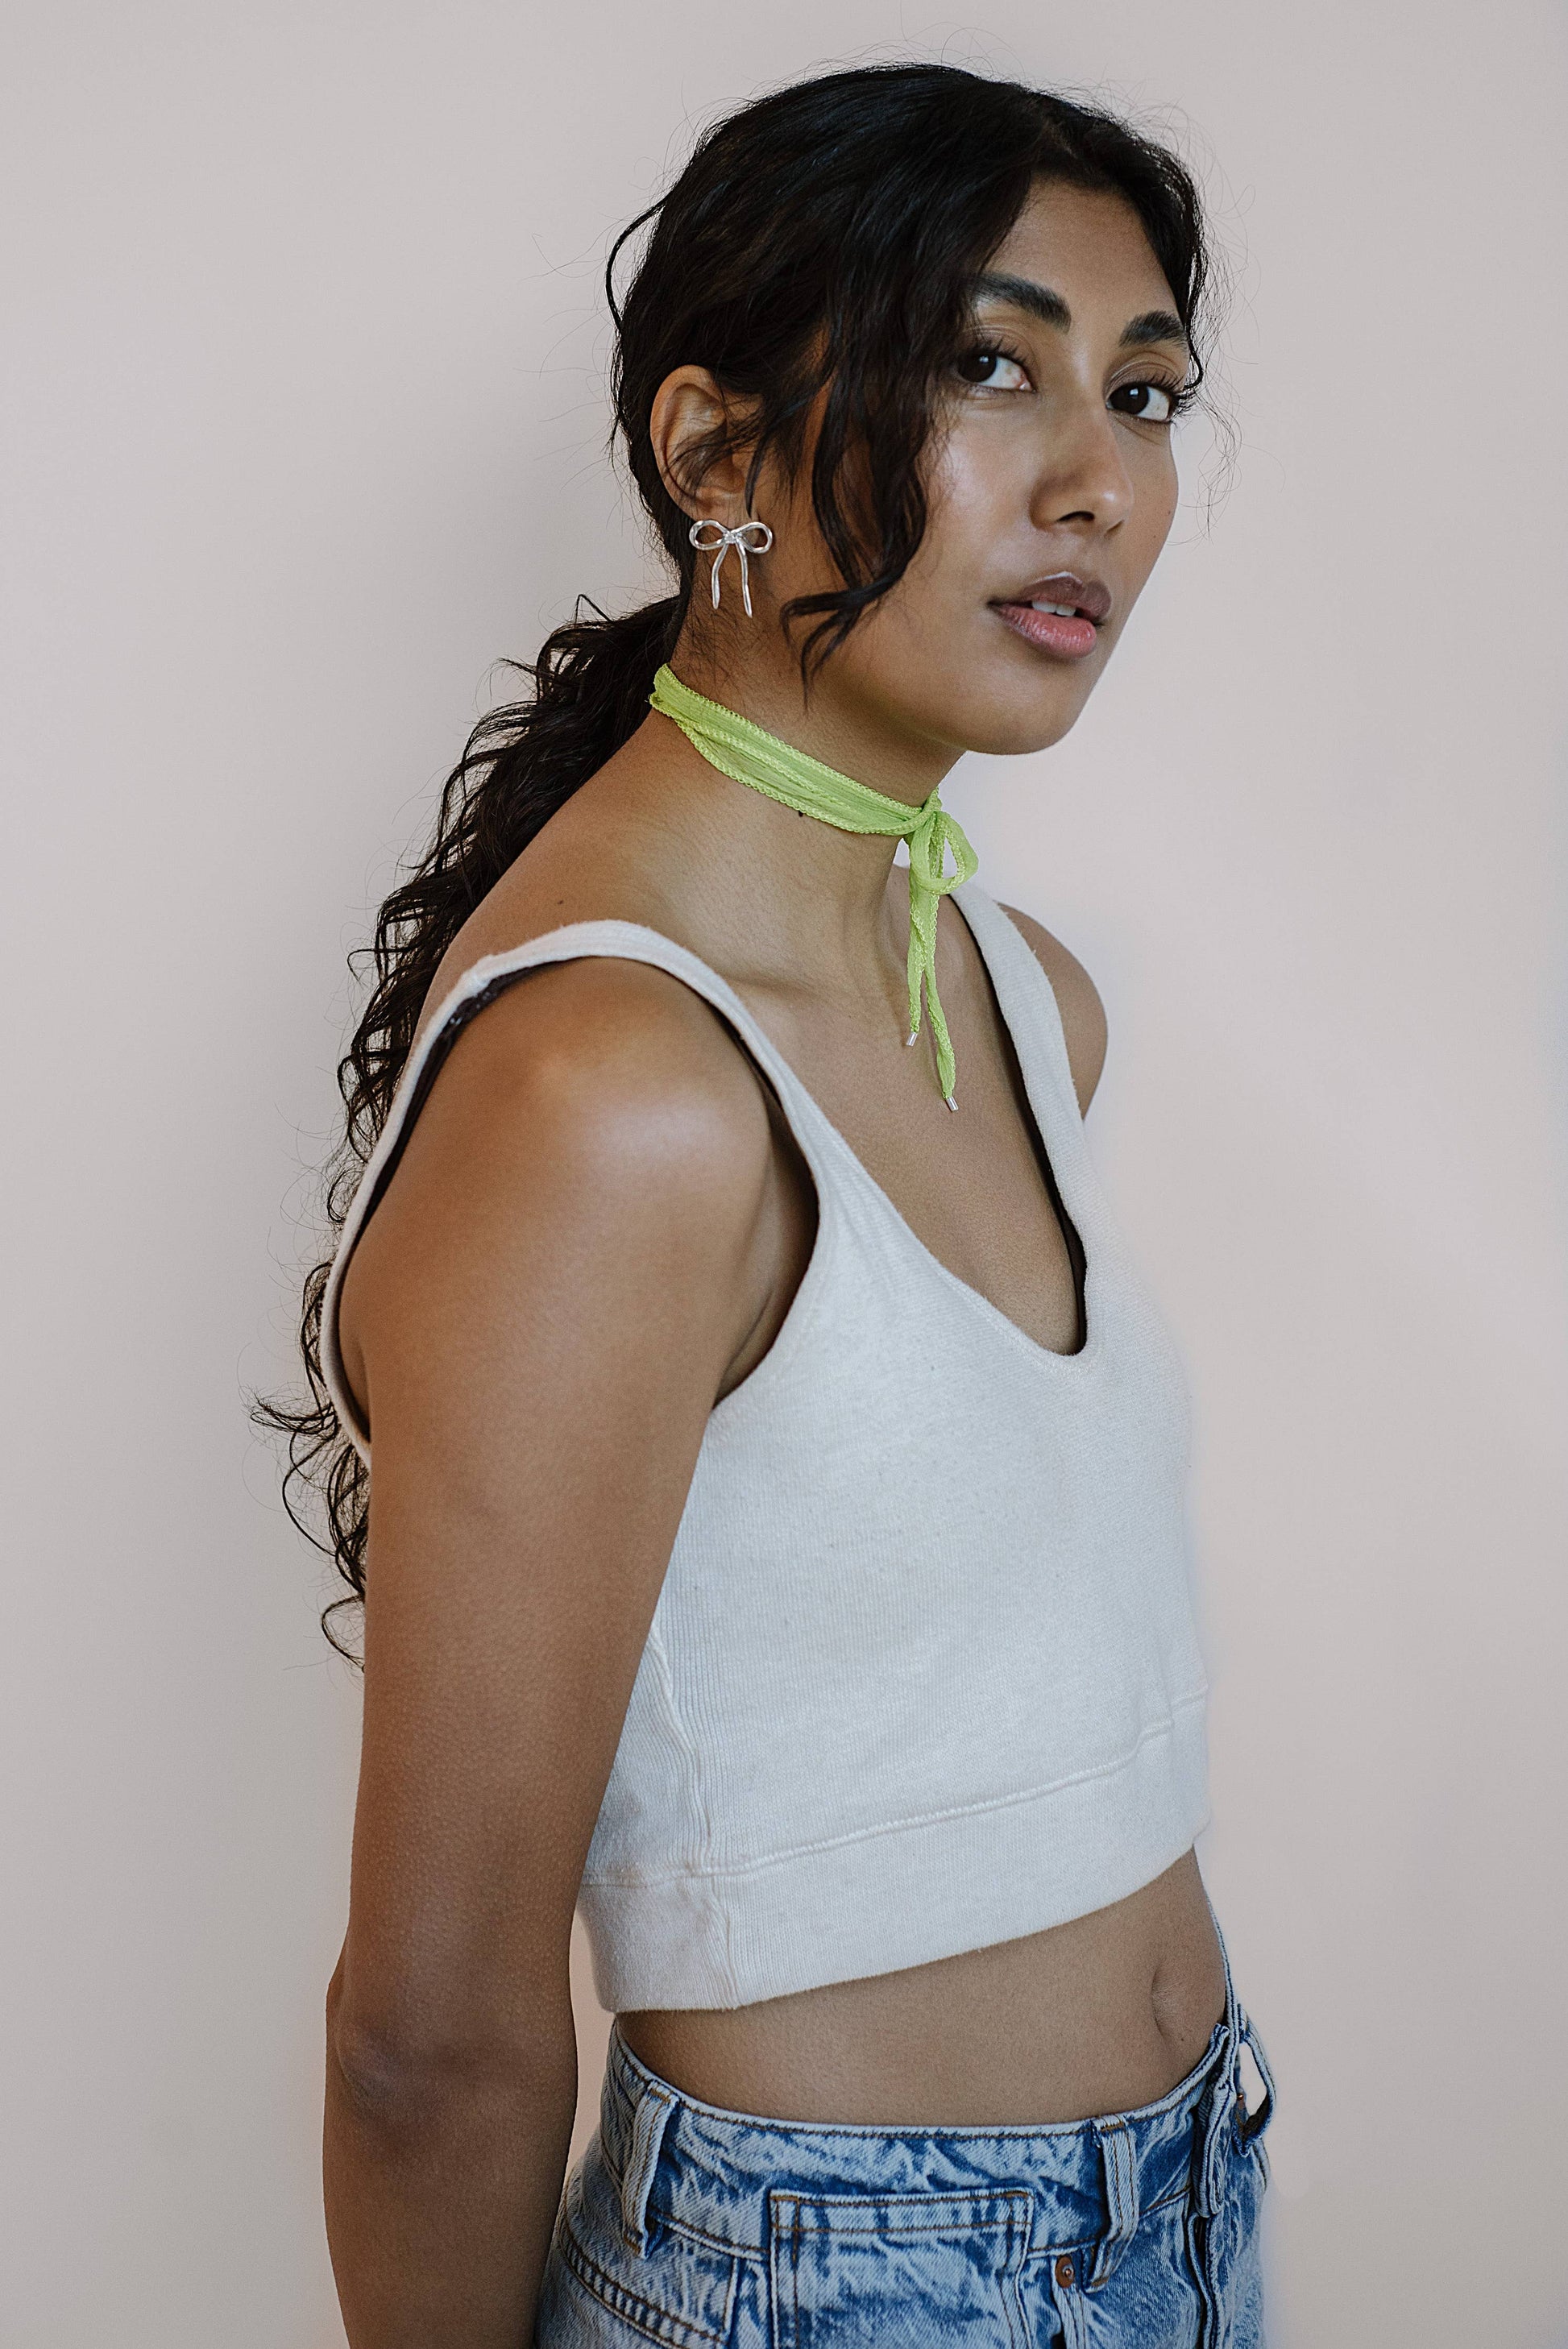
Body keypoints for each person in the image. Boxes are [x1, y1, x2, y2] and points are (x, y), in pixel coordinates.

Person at [273, 60, 1276, 2349]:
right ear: (714, 452)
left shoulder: (1018, 996)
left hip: (1195, 2200)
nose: (1095, 478)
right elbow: (425, 2037)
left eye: (1140, 394)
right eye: (990, 366)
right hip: (835, 2286)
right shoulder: (610, 1091)